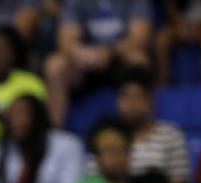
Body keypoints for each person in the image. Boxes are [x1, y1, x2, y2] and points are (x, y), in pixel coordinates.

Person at [43, 0, 151, 128]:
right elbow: (66, 40)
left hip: (119, 59)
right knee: (55, 66)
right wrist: (81, 53)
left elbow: (139, 38)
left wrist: (110, 51)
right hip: (85, 62)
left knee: (139, 60)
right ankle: (56, 132)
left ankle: (144, 129)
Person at [116, 66, 191, 183]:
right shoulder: (109, 137)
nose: (130, 104)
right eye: (124, 96)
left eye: (137, 97)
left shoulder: (171, 135)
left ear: (150, 100)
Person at [154, 0, 201, 85]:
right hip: (180, 23)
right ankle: (162, 86)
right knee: (162, 39)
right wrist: (179, 23)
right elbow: (170, 5)